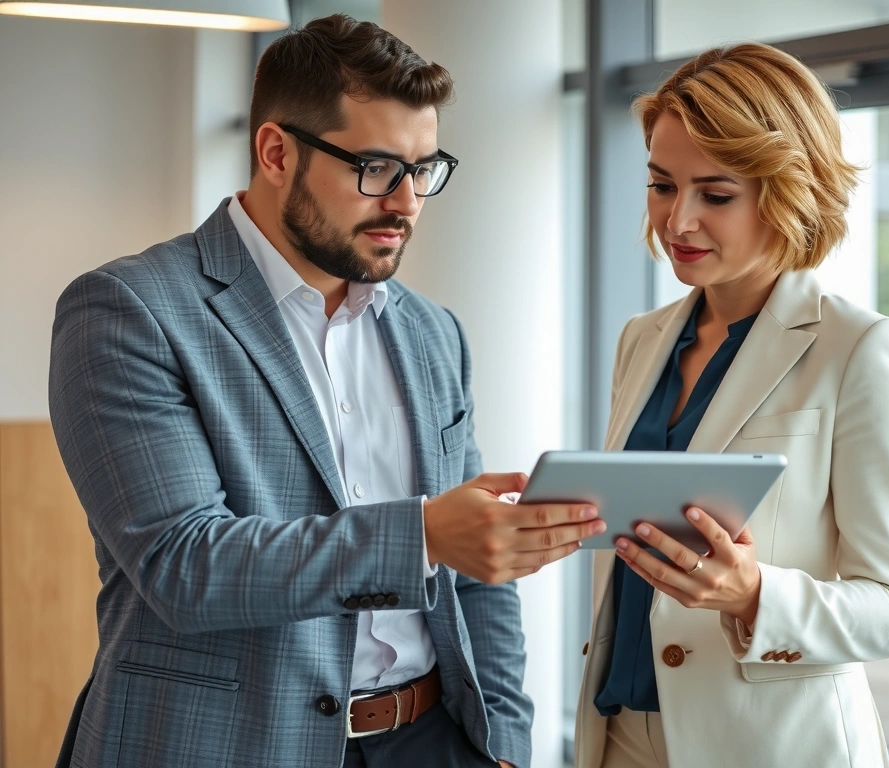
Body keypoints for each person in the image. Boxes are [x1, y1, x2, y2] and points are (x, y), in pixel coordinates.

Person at [49, 14, 606, 768]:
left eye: (423, 169)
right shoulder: (130, 310)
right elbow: (184, 565)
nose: (407, 202)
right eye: (376, 168)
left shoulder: (432, 331)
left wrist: (503, 744)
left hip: (432, 739)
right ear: (276, 152)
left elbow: (478, 579)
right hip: (224, 745)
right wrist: (423, 535)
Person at [574, 42, 889, 768]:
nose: (679, 221)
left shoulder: (861, 348)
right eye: (661, 185)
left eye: (716, 194)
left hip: (771, 746)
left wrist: (752, 594)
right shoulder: (643, 340)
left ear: (789, 188)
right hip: (618, 736)